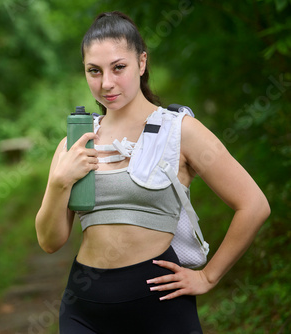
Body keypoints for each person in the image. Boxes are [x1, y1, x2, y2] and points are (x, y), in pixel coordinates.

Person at [35, 11, 270, 333]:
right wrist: (59, 182)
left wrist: (208, 276)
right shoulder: (75, 141)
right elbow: (49, 242)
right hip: (83, 310)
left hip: (158, 307)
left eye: (119, 67)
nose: (106, 83)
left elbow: (254, 205)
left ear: (142, 63)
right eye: (94, 71)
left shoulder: (180, 131)